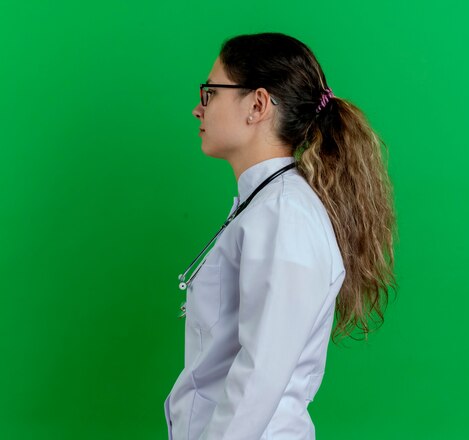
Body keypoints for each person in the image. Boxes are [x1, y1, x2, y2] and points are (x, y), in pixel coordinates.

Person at [164, 32, 397, 440]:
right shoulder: (266, 205)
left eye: (210, 93)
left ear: (257, 105)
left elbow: (259, 379)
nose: (197, 109)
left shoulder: (284, 216)